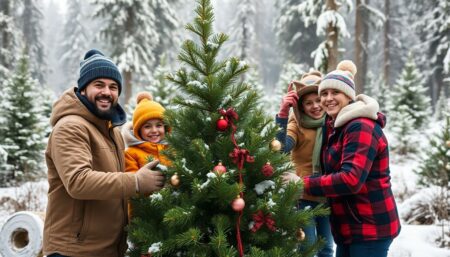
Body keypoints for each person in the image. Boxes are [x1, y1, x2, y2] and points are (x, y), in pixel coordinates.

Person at [43, 49, 165, 257]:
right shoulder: (70, 127)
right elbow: (78, 182)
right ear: (83, 89)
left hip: (108, 249)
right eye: (98, 85)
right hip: (74, 250)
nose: (107, 92)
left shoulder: (112, 132)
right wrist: (136, 182)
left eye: (113, 86)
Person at [283, 60, 401, 257]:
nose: (328, 99)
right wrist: (284, 114)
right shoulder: (336, 125)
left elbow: (350, 179)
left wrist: (301, 184)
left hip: (370, 227)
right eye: (324, 94)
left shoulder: (360, 126)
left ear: (348, 95)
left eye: (335, 92)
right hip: (350, 228)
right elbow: (291, 137)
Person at [276, 71, 334, 257]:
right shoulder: (297, 125)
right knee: (306, 248)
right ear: (300, 107)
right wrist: (283, 114)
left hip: (328, 195)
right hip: (304, 196)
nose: (315, 106)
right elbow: (281, 148)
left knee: (326, 248)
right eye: (308, 103)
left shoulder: (334, 123)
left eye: (318, 100)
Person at [122, 92, 171, 218]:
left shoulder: (173, 150)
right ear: (138, 130)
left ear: (165, 127)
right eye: (147, 126)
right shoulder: (131, 153)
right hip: (147, 215)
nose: (154, 130)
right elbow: (131, 186)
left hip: (174, 211)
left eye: (159, 125)